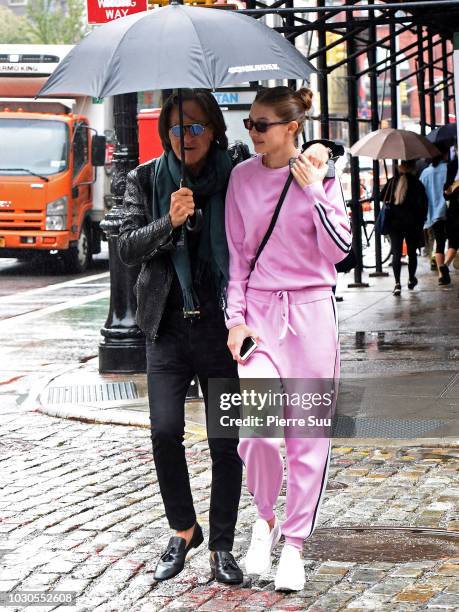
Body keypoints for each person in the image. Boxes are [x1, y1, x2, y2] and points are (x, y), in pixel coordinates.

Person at [117, 88, 332, 584]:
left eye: (195, 127)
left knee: (225, 440)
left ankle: (221, 545)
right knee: (165, 431)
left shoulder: (233, 170)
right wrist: (166, 223)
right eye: (175, 128)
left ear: (214, 130)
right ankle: (183, 528)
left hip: (222, 329)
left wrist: (323, 151)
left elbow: (281, 149)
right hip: (167, 328)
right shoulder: (146, 178)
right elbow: (126, 247)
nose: (184, 137)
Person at [225, 86, 351, 591]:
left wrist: (316, 187)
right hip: (258, 319)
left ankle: (294, 544)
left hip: (312, 317)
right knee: (258, 434)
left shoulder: (324, 175)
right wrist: (235, 320)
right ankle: (265, 517)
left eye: (261, 125)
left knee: (307, 439)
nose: (251, 132)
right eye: (250, 124)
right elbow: (237, 259)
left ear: (291, 128)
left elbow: (339, 249)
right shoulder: (241, 177)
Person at [380, 160, 427, 296]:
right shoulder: (417, 184)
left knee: (396, 253)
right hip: (412, 224)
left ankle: (397, 284)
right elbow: (423, 205)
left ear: (400, 167)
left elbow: (381, 197)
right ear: (413, 168)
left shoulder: (392, 182)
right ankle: (411, 279)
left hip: (395, 224)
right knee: (412, 253)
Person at [420, 151, 450, 285]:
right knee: (454, 242)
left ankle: (440, 274)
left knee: (440, 243)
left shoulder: (425, 173)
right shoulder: (449, 168)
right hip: (450, 210)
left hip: (434, 214)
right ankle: (446, 267)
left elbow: (422, 194)